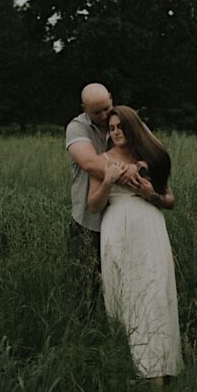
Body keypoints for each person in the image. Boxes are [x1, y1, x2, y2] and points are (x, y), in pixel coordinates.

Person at [87, 105, 182, 383]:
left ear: (133, 128)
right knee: (124, 296)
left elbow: (170, 201)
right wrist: (109, 181)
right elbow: (93, 205)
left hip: (149, 227)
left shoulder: (151, 157)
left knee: (153, 292)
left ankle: (158, 371)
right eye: (112, 128)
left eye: (121, 127)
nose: (116, 132)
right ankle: (130, 370)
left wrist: (150, 193)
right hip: (117, 230)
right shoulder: (102, 160)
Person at [65, 83, 150, 308]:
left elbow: (155, 152)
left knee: (129, 281)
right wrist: (127, 170)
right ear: (84, 108)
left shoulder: (126, 119)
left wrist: (142, 164)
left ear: (111, 98)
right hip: (89, 221)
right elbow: (90, 163)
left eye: (106, 108)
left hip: (128, 219)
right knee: (85, 287)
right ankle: (88, 334)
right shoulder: (77, 128)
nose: (103, 116)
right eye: (96, 112)